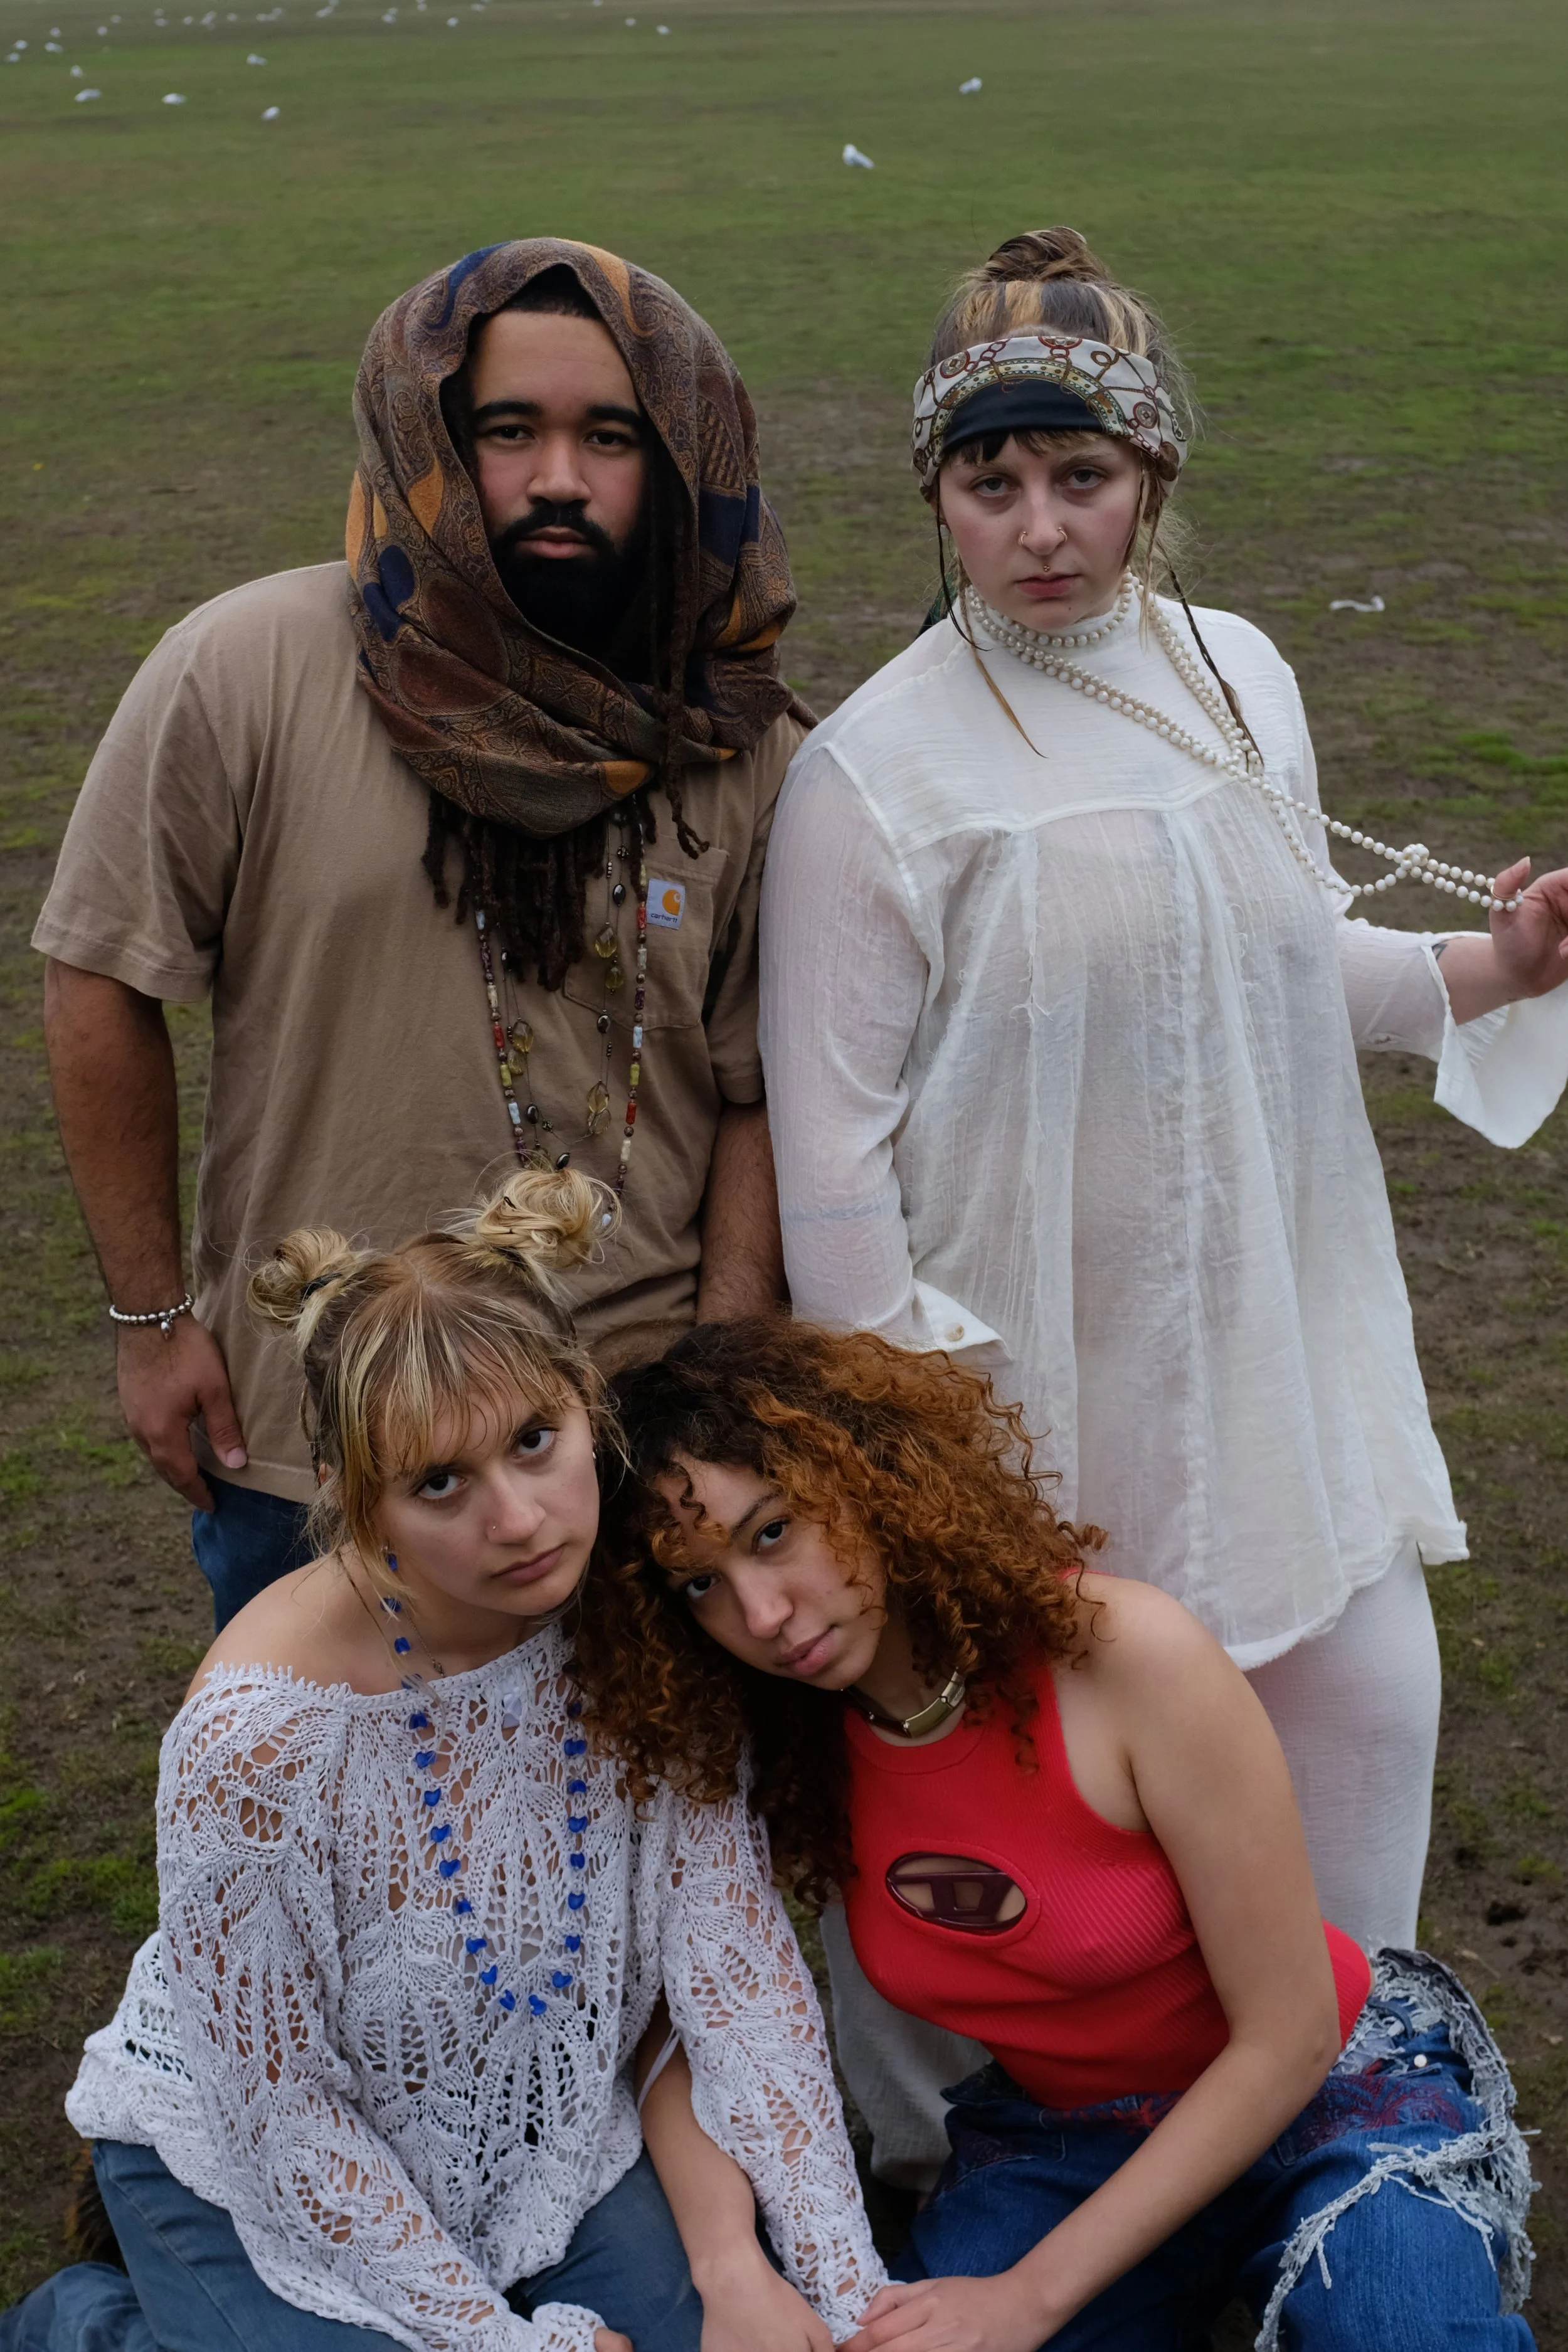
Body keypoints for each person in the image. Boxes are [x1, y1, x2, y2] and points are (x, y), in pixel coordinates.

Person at [756, 226, 1568, 2175]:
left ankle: (1332, 2126)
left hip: (1269, 1364)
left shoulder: (1241, 677)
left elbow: (1285, 964)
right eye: (990, 481)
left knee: (1363, 1713)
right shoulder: (869, 773)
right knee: (1025, 1831)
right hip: (1024, 1407)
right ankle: (948, 2174)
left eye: (1082, 477)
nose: (1040, 527)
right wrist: (950, 1464)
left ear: (1154, 480)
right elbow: (832, 1171)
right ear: (937, 494)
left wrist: (1494, 970)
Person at [36, 236, 805, 1629]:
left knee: (637, 1843)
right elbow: (99, 975)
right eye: (508, 430)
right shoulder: (247, 669)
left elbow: (759, 1084)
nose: (557, 477)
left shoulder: (738, 738)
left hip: (630, 1440)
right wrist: (152, 1324)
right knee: (328, 1838)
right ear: (428, 439)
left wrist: (724, 1366)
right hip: (322, 1436)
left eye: (609, 436)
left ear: (680, 460)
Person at [0, 1173, 884, 2352]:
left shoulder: (643, 1605)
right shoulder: (256, 1741)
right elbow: (283, 2117)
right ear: (355, 1505)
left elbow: (731, 1970)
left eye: (534, 1441)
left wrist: (847, 2290)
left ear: (586, 1405)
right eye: (438, 1482)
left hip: (548, 2134)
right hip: (256, 2171)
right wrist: (499, 2342)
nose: (518, 1519)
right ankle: (93, 2325)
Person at [575, 1318, 1537, 2352]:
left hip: (1326, 2099)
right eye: (701, 1583)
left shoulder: (1124, 1656)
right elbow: (680, 2012)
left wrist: (1027, 2296)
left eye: (772, 1531)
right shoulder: (777, 1748)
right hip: (1064, 2138)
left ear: (866, 1473)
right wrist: (728, 2265)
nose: (761, 1611)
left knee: (1395, 2334)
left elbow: (1290, 2032)